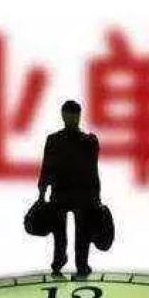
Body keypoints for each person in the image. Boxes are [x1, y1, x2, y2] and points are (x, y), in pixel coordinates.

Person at [38, 100, 101, 276]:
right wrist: (96, 196)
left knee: (63, 231)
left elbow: (47, 168)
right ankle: (79, 264)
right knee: (79, 232)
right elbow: (92, 171)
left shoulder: (55, 140)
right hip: (80, 194)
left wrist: (42, 192)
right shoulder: (88, 141)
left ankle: (60, 261)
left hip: (64, 193)